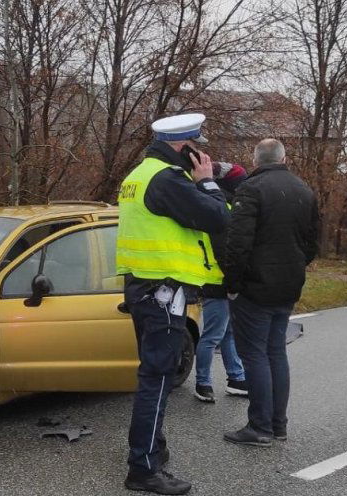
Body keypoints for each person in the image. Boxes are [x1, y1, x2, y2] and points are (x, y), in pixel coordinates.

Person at [116, 113, 229, 495]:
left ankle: (153, 450)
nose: (203, 156)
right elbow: (218, 217)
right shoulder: (167, 179)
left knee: (153, 375)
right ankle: (144, 468)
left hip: (143, 289)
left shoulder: (139, 175)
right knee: (158, 378)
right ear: (186, 147)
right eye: (199, 149)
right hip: (164, 292)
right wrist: (208, 181)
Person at [222, 139, 320, 446]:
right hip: (288, 285)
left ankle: (259, 427)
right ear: (283, 158)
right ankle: (278, 425)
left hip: (255, 287)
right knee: (276, 352)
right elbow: (313, 242)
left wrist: (233, 284)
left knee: (254, 355)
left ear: (255, 160)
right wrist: (295, 267)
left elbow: (238, 243)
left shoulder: (250, 190)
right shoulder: (304, 190)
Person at [194, 162, 249, 403]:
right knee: (212, 336)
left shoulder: (216, 203)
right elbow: (224, 251)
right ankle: (202, 383)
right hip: (218, 281)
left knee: (228, 333)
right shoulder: (222, 207)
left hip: (217, 278)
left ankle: (236, 378)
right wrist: (234, 282)